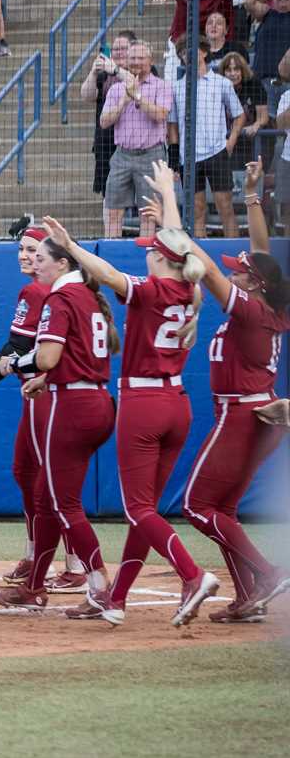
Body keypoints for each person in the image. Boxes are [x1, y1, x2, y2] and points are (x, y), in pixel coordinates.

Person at [43, 183, 220, 627]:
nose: (145, 253)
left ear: (162, 258)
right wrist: (170, 210)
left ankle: (193, 574)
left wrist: (71, 247)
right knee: (146, 512)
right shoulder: (187, 290)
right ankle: (116, 599)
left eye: (150, 249)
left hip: (144, 402)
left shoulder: (156, 290)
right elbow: (181, 251)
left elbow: (105, 273)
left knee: (138, 510)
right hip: (177, 402)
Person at [178, 159, 290, 624]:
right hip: (260, 415)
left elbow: (210, 273)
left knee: (196, 507)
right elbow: (261, 253)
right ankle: (249, 596)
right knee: (221, 508)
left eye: (240, 272)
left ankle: (265, 573)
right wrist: (250, 196)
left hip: (241, 416)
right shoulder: (269, 305)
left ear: (253, 284)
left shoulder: (249, 312)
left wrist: (178, 228)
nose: (235, 272)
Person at [0, 237, 119, 613]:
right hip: (95, 399)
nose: (35, 263)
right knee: (47, 499)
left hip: (73, 407)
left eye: (42, 258)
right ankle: (32, 588)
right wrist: (45, 377)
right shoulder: (90, 295)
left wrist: (13, 365)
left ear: (62, 264)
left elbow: (46, 356)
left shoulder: (60, 298)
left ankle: (98, 586)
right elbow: (74, 357)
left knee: (64, 504)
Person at [0, 224, 52, 585]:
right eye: (21, 248)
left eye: (33, 250)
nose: (24, 255)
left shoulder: (36, 290)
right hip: (43, 393)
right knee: (30, 474)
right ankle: (37, 557)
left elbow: (17, 348)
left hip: (47, 396)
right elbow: (18, 345)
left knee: (45, 481)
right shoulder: (57, 289)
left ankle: (75, 566)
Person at [169, 42, 244, 238]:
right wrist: (174, 159)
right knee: (197, 210)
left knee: (225, 207)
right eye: (183, 53)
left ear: (203, 52)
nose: (188, 55)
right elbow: (173, 126)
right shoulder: (176, 87)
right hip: (189, 157)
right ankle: (200, 262)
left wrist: (231, 140)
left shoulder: (222, 83)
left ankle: (237, 256)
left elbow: (239, 115)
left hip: (216, 152)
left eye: (191, 50)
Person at [100, 41, 171, 238]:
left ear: (151, 60)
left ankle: (146, 256)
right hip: (122, 155)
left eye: (141, 58)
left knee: (148, 213)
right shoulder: (116, 89)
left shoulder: (161, 87)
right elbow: (104, 122)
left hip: (151, 155)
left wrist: (138, 97)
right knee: (113, 209)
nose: (136, 62)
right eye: (132, 58)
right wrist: (124, 101)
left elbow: (160, 115)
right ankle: (111, 255)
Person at [79, 31, 134, 199]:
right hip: (106, 141)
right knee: (108, 194)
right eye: (115, 49)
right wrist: (93, 72)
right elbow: (87, 95)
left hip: (132, 143)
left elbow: (134, 83)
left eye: (122, 48)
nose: (117, 52)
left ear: (133, 50)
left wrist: (116, 70)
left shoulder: (141, 69)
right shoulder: (104, 75)